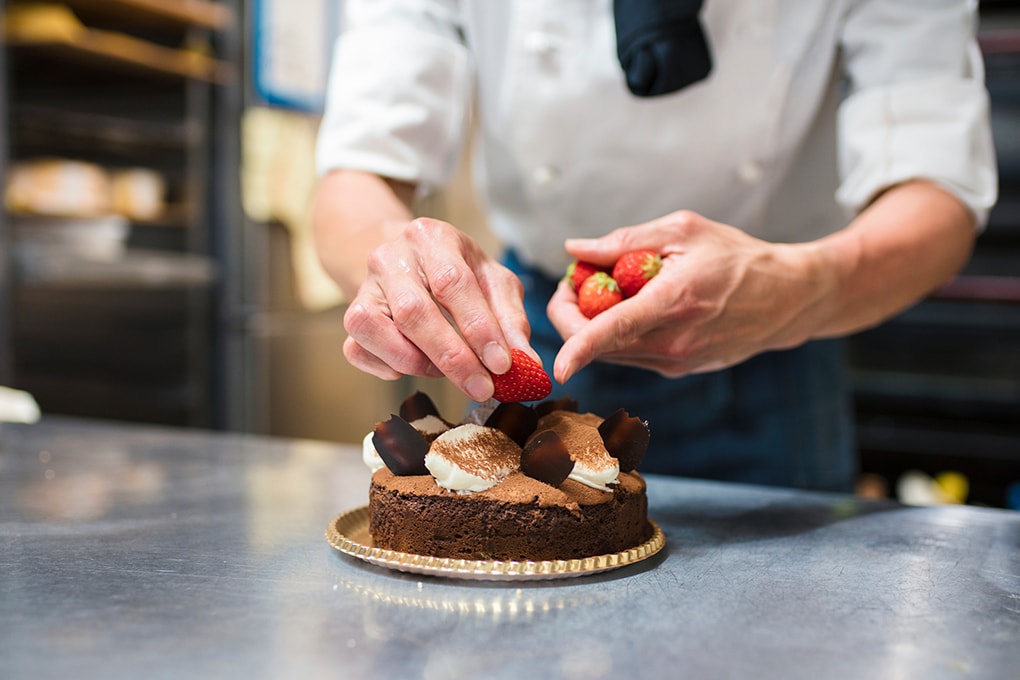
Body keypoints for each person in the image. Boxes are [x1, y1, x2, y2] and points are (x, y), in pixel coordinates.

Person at [311, 1, 997, 492]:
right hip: (533, 341)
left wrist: (802, 285)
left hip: (775, 348)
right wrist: (397, 264)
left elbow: (937, 195)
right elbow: (359, 168)